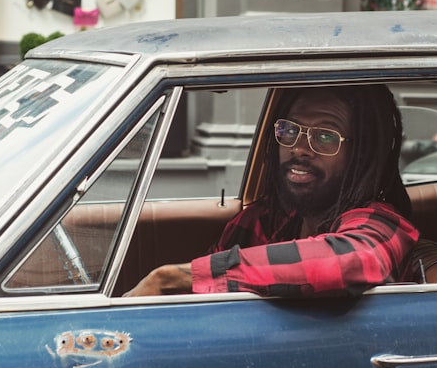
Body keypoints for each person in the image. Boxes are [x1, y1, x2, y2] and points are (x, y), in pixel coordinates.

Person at [123, 84, 421, 298]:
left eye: (326, 136)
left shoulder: (382, 223)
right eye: (290, 130)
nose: (300, 148)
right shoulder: (260, 222)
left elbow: (352, 261)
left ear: (361, 154)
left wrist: (171, 278)